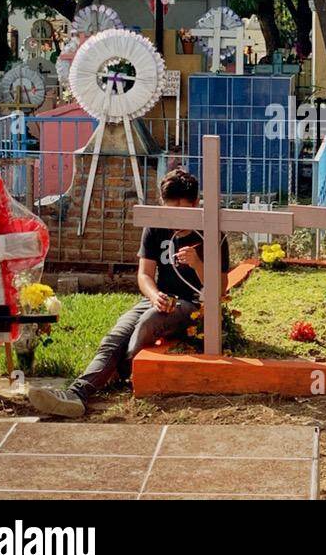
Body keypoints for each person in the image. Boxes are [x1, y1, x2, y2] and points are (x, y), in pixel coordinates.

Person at [29, 168, 230, 418]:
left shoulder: (213, 234)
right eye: (171, 210)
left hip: (192, 304)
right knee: (114, 337)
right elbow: (144, 274)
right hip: (158, 300)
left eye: (184, 210)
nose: (177, 219)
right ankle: (77, 393)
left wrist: (198, 264)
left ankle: (117, 374)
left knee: (146, 326)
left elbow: (219, 290)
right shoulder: (157, 226)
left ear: (196, 204)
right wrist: (155, 295)